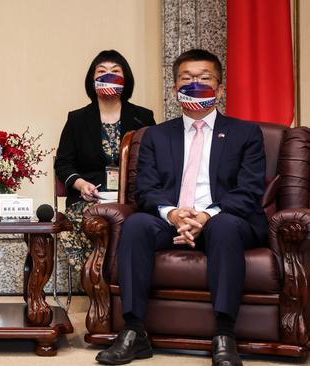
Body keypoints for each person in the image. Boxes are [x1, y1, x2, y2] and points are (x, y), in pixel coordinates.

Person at [95, 49, 267, 366]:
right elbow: (146, 190)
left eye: (204, 79)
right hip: (171, 218)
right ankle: (134, 332)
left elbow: (249, 191)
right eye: (186, 79)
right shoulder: (155, 136)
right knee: (135, 225)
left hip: (223, 218)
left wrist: (205, 216)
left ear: (220, 88)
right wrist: (173, 214)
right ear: (175, 88)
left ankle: (225, 334)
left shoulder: (246, 133)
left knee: (225, 226)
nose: (194, 85)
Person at [54, 50, 155, 270]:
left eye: (115, 72)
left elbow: (156, 161)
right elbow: (62, 163)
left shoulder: (143, 117)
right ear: (92, 80)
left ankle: (125, 280)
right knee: (87, 220)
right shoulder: (77, 119)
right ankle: (97, 283)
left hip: (132, 198)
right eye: (102, 72)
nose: (108, 76)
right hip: (89, 199)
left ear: (125, 79)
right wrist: (81, 185)